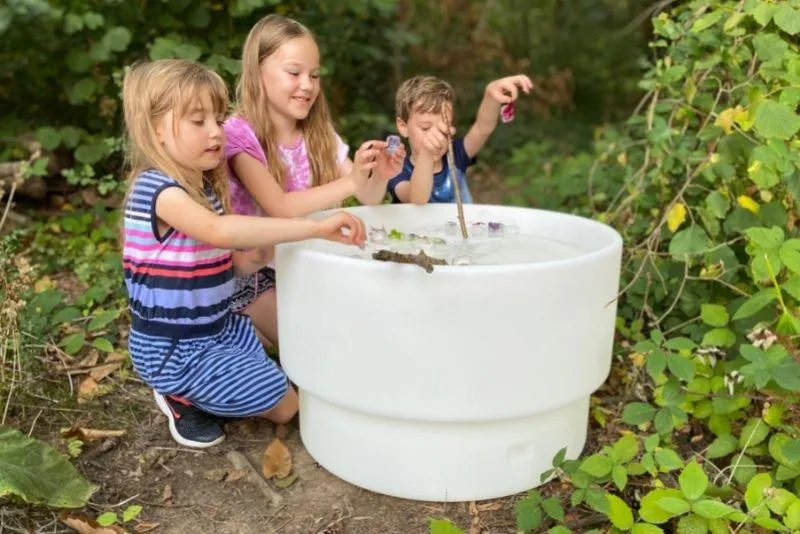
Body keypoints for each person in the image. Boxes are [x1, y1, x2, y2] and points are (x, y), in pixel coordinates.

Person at [121, 59, 369, 448]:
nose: (215, 132)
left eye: (218, 121)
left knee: (288, 393)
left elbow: (229, 260)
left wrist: (256, 256)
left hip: (218, 330)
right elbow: (218, 232)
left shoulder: (202, 190)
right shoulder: (158, 190)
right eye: (197, 121)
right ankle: (177, 394)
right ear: (157, 130)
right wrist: (313, 227)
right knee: (286, 404)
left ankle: (223, 381)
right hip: (174, 347)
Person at [224, 14, 404, 346]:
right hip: (255, 273)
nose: (307, 85)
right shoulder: (239, 136)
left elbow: (368, 197)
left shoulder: (318, 133)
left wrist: (377, 175)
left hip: (308, 264)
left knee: (372, 320)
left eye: (315, 75)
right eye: (294, 73)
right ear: (256, 72)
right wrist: (351, 181)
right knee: (317, 343)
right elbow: (280, 206)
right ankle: (238, 335)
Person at [387, 74, 532, 205]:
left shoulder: (455, 154)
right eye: (425, 128)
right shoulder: (397, 168)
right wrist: (427, 154)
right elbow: (416, 199)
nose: (437, 136)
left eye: (444, 127)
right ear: (403, 127)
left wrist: (491, 96)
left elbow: (482, 128)